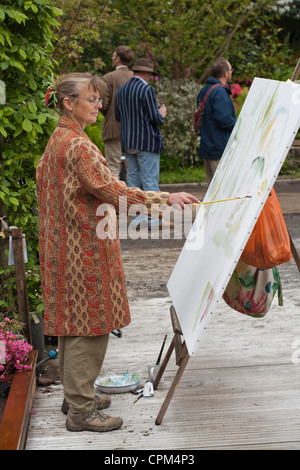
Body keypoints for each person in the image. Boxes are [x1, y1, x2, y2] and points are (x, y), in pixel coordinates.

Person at [36, 72, 199, 433]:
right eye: (91, 100)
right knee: (90, 328)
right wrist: (163, 198)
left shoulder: (59, 139)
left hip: (62, 247)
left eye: (99, 99)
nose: (99, 105)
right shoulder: (78, 146)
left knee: (72, 324)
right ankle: (80, 411)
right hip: (83, 249)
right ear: (68, 103)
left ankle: (75, 397)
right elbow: (112, 190)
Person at [115, 58, 167, 228]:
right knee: (150, 180)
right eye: (150, 75)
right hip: (146, 141)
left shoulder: (121, 91)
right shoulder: (146, 90)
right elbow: (154, 118)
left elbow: (117, 116)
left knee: (134, 183)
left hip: (128, 141)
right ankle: (154, 218)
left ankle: (138, 219)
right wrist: (162, 114)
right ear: (145, 73)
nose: (150, 78)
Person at [197, 57, 236, 184]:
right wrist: (241, 125)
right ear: (225, 73)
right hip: (218, 148)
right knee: (222, 190)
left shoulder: (206, 89)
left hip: (207, 146)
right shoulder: (219, 92)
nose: (231, 73)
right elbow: (224, 119)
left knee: (212, 190)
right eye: (230, 70)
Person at [100, 46, 134, 178]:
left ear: (118, 59)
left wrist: (110, 116)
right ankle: (128, 199)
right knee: (132, 170)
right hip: (134, 131)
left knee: (113, 167)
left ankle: (115, 199)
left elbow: (103, 104)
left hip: (113, 128)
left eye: (114, 56)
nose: (113, 58)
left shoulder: (108, 78)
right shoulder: (134, 77)